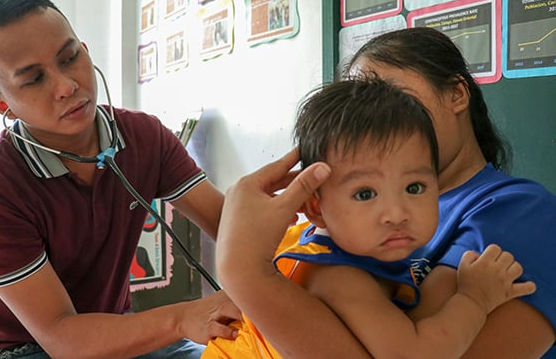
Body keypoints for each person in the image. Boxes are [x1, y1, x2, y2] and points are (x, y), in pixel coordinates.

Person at [215, 27, 556, 358]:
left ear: (456, 94)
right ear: (316, 207)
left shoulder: (519, 213)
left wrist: (247, 275)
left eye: (394, 98)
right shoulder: (341, 224)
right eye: (358, 111)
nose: (373, 126)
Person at [0, 0, 240, 359]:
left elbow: (229, 226)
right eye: (34, 79)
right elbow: (62, 337)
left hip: (110, 334)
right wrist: (182, 318)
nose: (67, 86)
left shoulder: (144, 137)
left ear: (86, 52)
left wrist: (283, 217)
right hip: (21, 349)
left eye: (70, 57)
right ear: (1, 104)